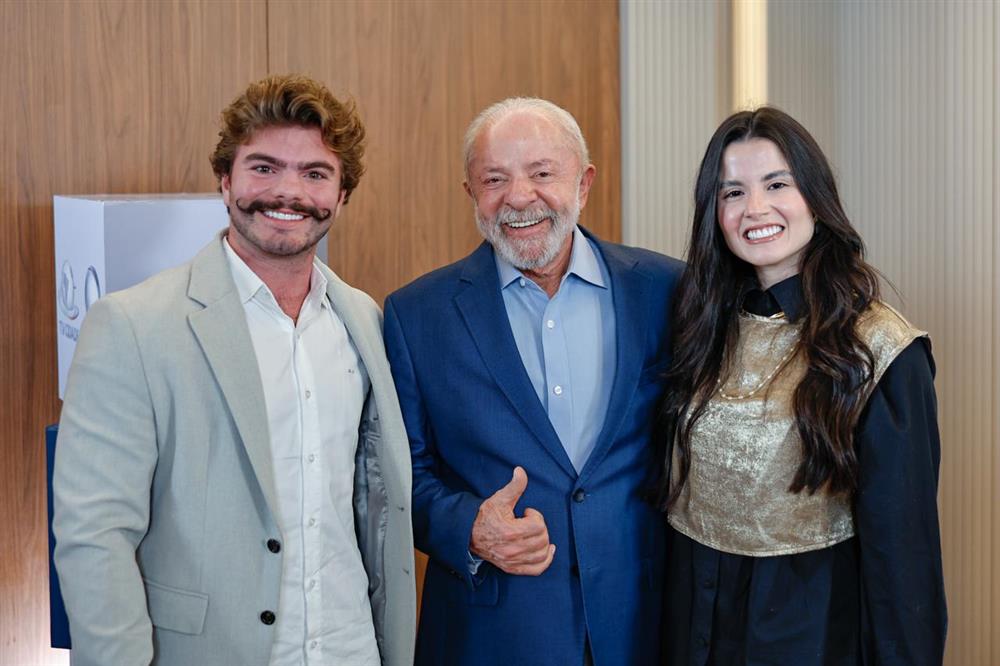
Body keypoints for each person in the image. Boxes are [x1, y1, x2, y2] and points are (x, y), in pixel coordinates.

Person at [53, 74, 415, 666]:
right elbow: (95, 535)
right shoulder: (132, 326)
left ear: (342, 193)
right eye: (264, 168)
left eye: (315, 174)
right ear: (225, 181)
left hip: (352, 649)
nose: (288, 192)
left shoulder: (363, 319)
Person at [383, 97, 684, 665]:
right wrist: (469, 527)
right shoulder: (416, 315)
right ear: (471, 193)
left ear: (584, 183)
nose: (519, 197)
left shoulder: (666, 290)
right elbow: (397, 480)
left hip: (641, 625)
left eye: (542, 173)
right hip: (491, 636)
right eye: (494, 179)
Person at [657, 106, 947, 665]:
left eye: (776, 184)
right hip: (695, 621)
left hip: (809, 631)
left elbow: (903, 560)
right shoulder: (700, 327)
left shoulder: (879, 349)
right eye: (732, 192)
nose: (755, 208)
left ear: (815, 196)